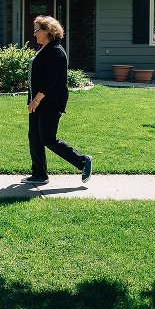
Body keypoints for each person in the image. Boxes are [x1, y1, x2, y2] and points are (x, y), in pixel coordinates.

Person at [24, 16, 92, 185]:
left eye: (37, 30)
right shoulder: (45, 49)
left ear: (47, 30)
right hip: (38, 101)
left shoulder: (56, 51)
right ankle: (39, 174)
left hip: (50, 102)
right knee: (34, 136)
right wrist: (32, 99)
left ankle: (83, 161)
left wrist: (36, 100)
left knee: (47, 137)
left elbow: (50, 80)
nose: (34, 34)